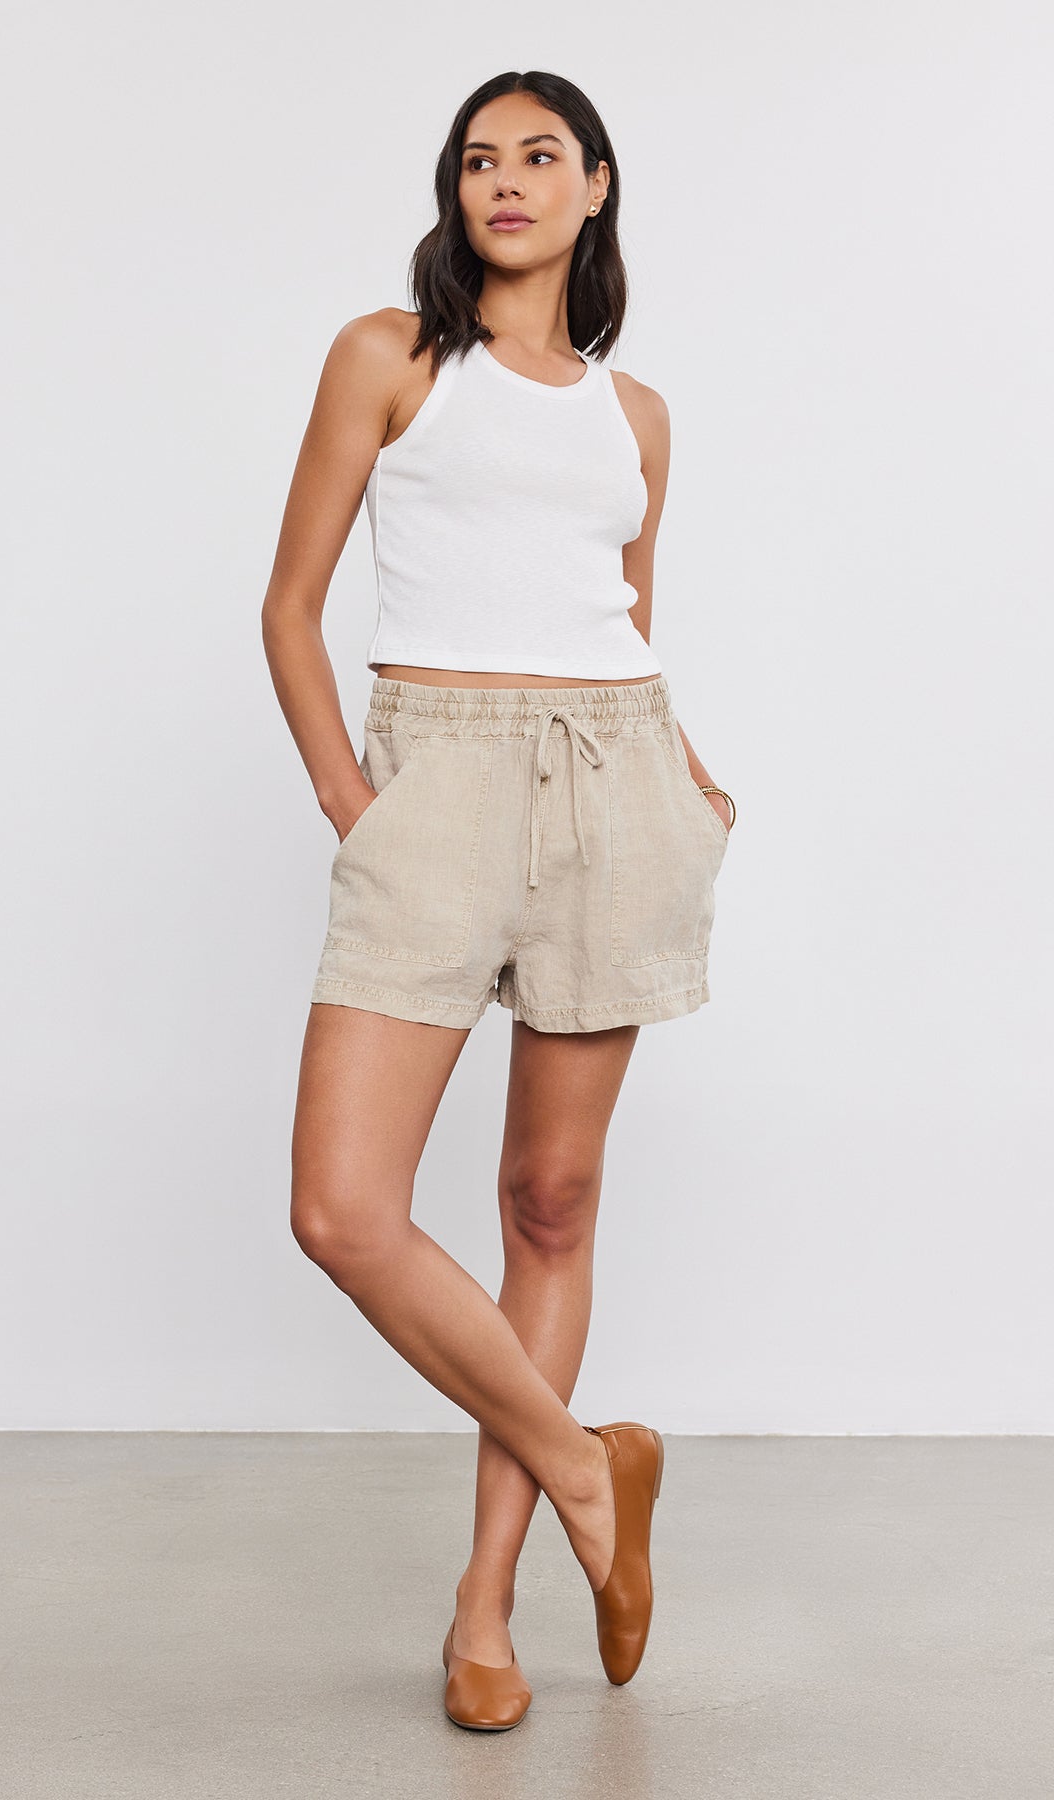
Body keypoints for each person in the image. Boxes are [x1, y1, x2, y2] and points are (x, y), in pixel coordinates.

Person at [262, 69, 736, 1732]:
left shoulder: (636, 415)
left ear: (597, 189)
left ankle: (487, 1608)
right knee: (342, 1206)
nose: (507, 182)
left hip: (619, 782)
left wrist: (687, 775)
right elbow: (293, 603)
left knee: (549, 1201)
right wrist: (352, 796)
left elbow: (624, 617)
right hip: (435, 783)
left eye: (542, 157)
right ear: (453, 194)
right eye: (480, 159)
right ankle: (592, 1469)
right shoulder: (390, 357)